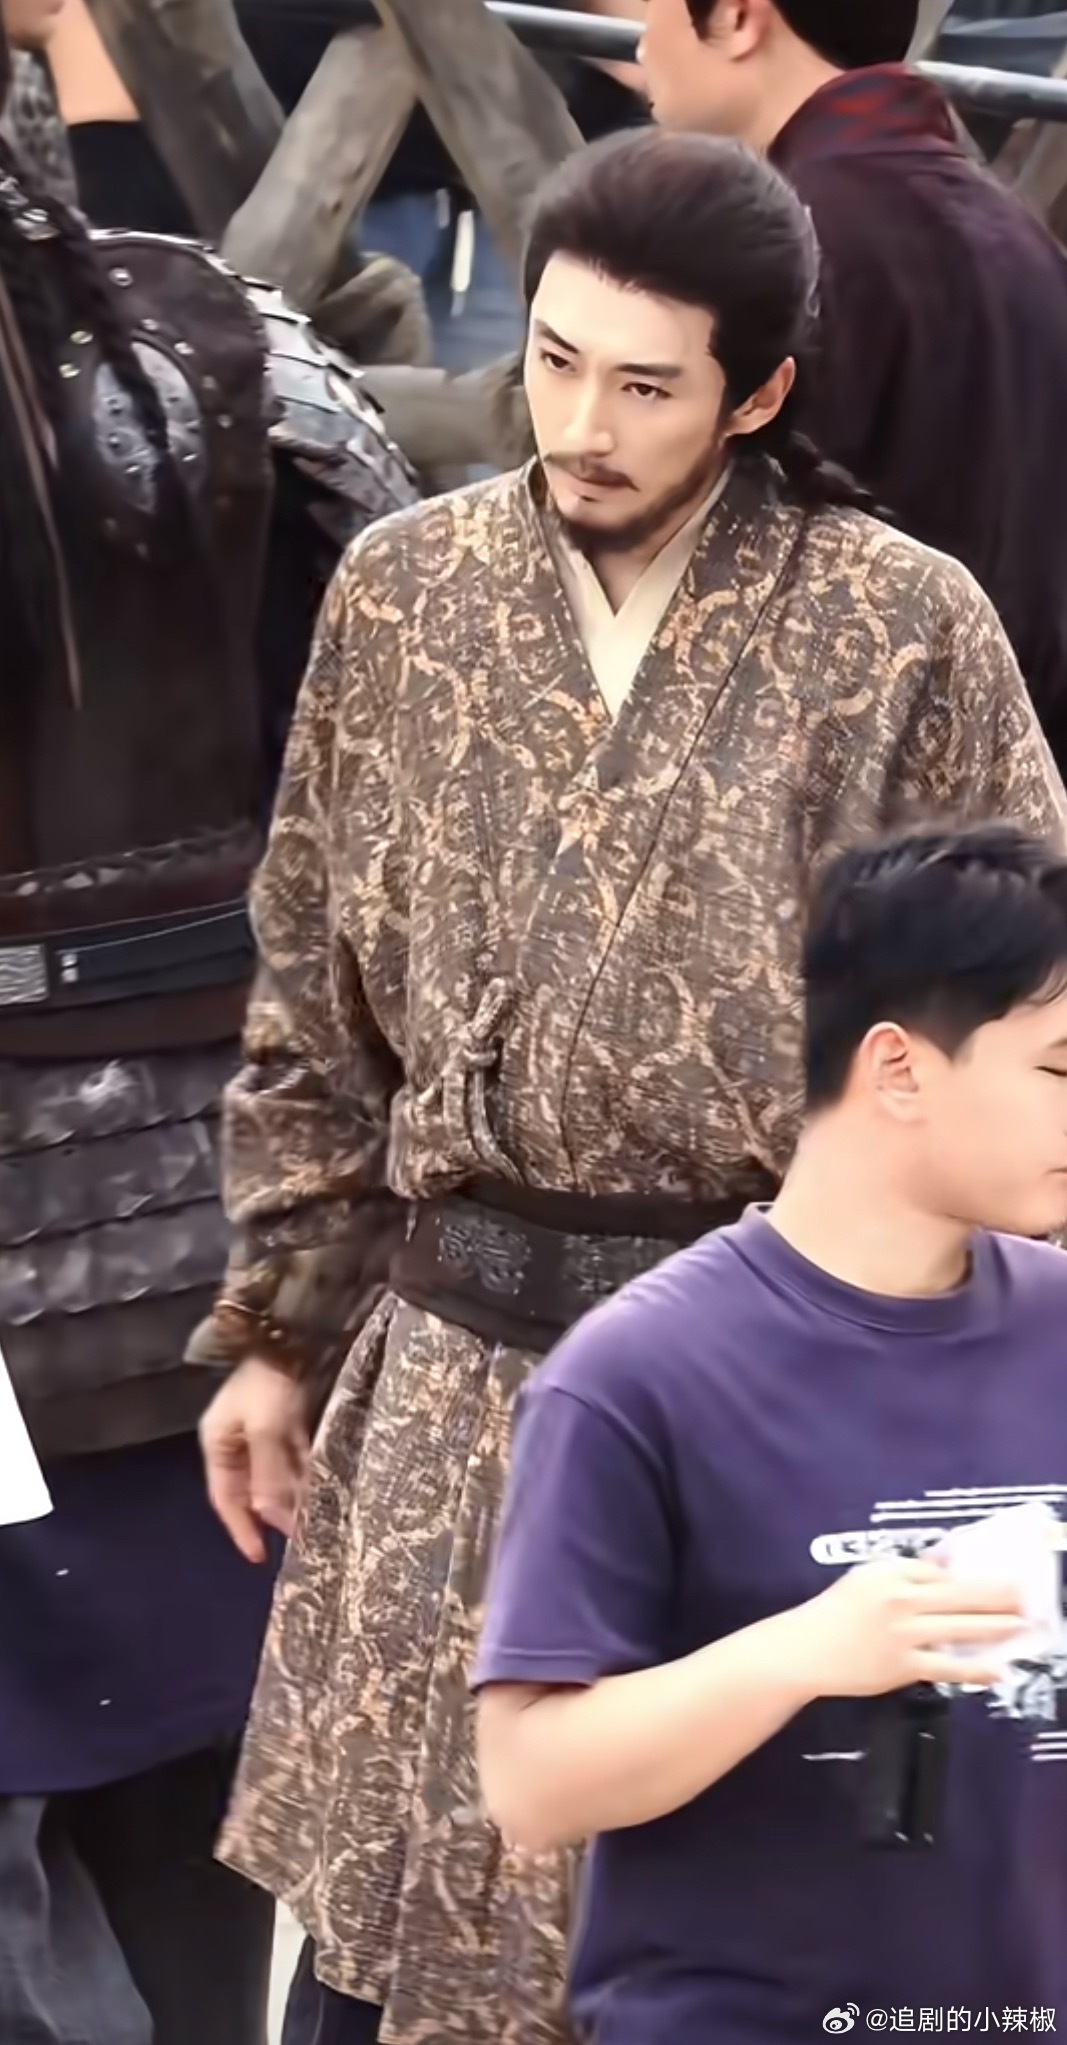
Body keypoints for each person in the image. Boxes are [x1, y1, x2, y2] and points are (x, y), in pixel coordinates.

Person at [195, 129, 1066, 2045]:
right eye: (554, 361)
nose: (583, 425)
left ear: (756, 392)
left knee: (760, 1909)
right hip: (451, 1366)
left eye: (648, 386)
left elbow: (1019, 1025)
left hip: (767, 1379)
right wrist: (277, 1321)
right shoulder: (406, 594)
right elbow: (311, 988)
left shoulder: (898, 625)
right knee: (417, 1924)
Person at [0, 11, 416, 2042]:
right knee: (192, 1832)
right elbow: (427, 791)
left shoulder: (214, 346)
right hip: (215, 1229)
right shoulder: (235, 349)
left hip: (184, 1256)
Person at [476, 817, 1067, 2042]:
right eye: (1060, 1069)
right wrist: (802, 1652)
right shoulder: (636, 1374)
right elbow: (529, 1782)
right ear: (897, 1069)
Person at [637, 0, 1067, 769]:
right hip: (1019, 771)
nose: (639, 37)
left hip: (849, 778)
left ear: (736, 16)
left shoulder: (786, 253)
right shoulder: (1018, 236)